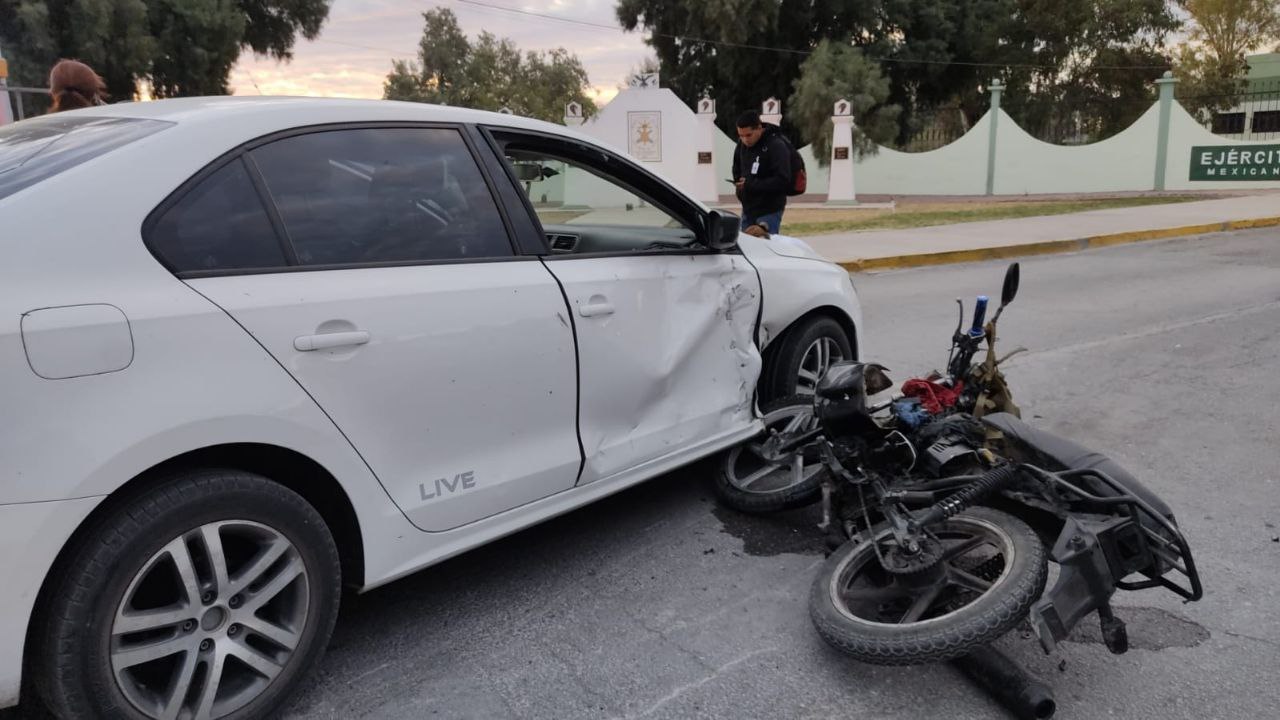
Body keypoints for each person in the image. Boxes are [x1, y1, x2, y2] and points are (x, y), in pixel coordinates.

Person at [731, 109, 791, 234]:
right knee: (746, 244)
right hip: (748, 209)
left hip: (770, 210)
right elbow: (737, 168)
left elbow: (783, 180)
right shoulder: (741, 145)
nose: (745, 140)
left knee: (764, 244)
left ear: (759, 128)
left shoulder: (776, 145)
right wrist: (739, 185)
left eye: (749, 135)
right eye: (741, 136)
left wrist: (751, 184)